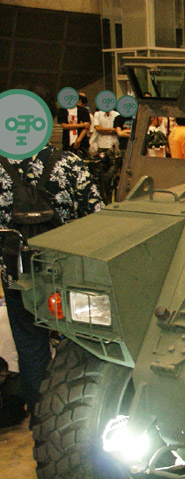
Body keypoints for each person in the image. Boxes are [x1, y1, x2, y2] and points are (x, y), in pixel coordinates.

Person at [0, 145, 104, 426]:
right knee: (79, 342)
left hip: (17, 275)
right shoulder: (68, 162)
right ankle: (75, 417)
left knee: (30, 347)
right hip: (69, 272)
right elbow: (97, 215)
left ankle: (41, 419)